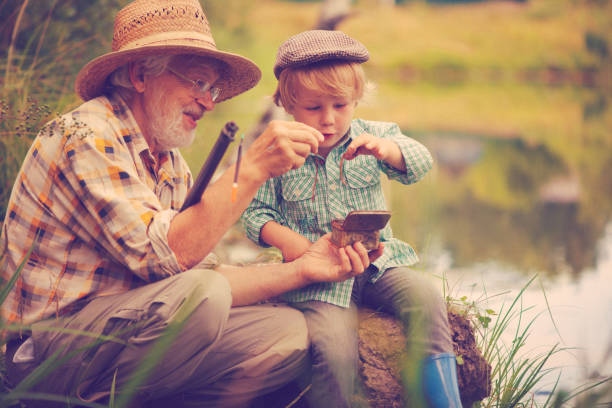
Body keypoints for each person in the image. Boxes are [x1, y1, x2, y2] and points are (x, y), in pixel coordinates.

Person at [0, 2, 382, 407]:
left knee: (289, 332)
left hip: (120, 336)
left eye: (213, 89)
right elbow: (171, 258)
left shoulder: (169, 162)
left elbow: (205, 272)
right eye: (198, 83)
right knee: (205, 296)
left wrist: (303, 269)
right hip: (42, 355)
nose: (209, 102)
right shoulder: (88, 134)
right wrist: (248, 170)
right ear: (139, 75)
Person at [241, 29, 463, 408]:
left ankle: (446, 402)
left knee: (426, 297)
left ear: (357, 100)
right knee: (332, 346)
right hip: (318, 280)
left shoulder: (374, 136)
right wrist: (297, 247)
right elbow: (253, 214)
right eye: (313, 108)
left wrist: (388, 150)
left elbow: (420, 163)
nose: (328, 119)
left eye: (340, 106)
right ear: (288, 104)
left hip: (378, 265)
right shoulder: (275, 149)